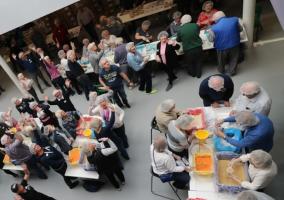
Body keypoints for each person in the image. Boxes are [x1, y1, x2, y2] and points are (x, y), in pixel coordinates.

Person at [208, 11, 242, 76]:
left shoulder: (213, 28)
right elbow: (241, 29)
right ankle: (231, 71)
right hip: (235, 44)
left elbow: (211, 39)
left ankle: (221, 70)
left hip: (221, 47)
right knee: (234, 58)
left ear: (216, 19)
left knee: (221, 60)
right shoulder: (234, 20)